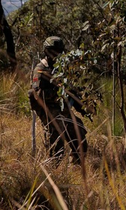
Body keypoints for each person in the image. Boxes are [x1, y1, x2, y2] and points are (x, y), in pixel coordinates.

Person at [29, 36, 88, 165]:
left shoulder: (63, 68)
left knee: (80, 136)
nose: (56, 54)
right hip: (49, 111)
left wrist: (82, 106)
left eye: (59, 51)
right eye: (53, 51)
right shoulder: (41, 69)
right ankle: (51, 175)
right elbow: (37, 94)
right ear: (46, 51)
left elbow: (72, 91)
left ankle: (77, 171)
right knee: (57, 147)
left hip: (63, 110)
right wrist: (58, 90)